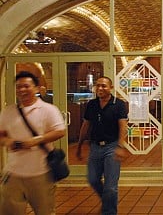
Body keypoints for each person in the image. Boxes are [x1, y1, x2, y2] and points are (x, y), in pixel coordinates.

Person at [0, 71, 65, 215]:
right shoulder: (8, 112)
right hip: (13, 173)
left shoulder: (49, 110)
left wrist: (36, 140)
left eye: (26, 86)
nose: (22, 90)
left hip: (41, 173)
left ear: (36, 88)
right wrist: (7, 141)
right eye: (18, 87)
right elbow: (1, 135)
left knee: (45, 211)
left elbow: (60, 131)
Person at [76, 76, 128, 215]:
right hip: (95, 147)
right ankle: (107, 202)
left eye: (104, 86)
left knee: (111, 187)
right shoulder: (92, 105)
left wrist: (120, 146)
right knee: (92, 179)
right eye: (98, 85)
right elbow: (85, 125)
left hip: (112, 146)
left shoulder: (119, 104)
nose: (100, 88)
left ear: (110, 88)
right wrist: (80, 145)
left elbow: (123, 126)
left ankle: (109, 212)